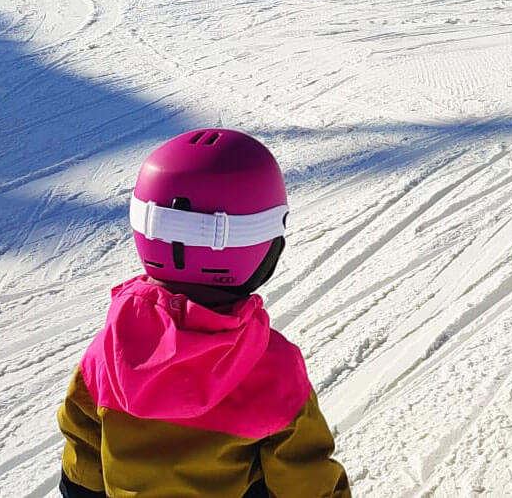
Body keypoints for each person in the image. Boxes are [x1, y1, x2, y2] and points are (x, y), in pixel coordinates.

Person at [57, 129, 349, 498]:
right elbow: (304, 478)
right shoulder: (270, 365)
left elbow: (84, 454)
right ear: (265, 248)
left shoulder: (111, 349)